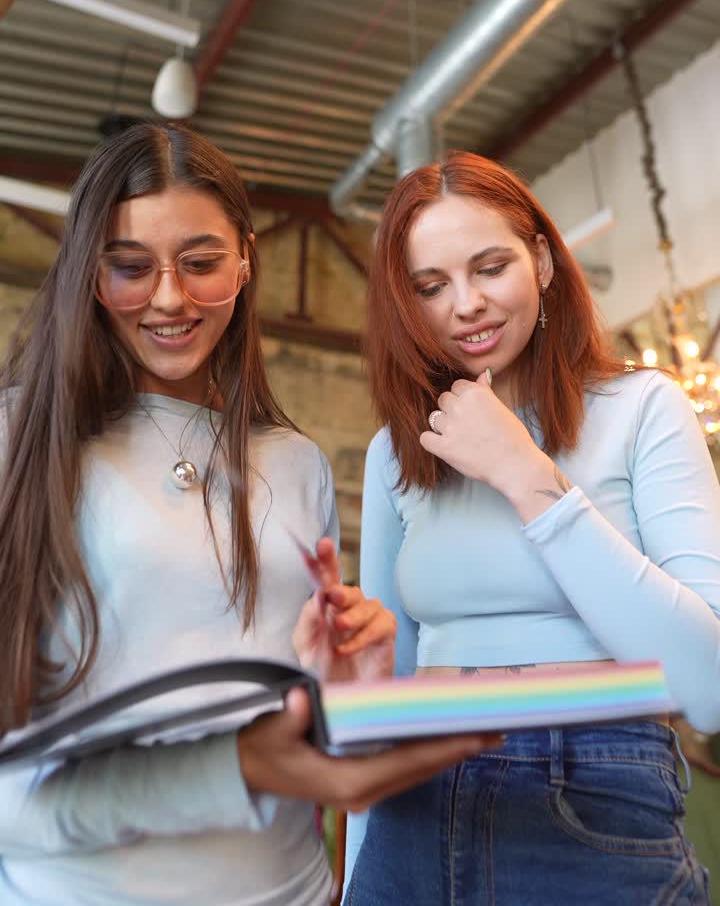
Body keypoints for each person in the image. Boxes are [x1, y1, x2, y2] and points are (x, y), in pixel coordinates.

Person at [0, 124, 499, 906]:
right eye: (130, 267)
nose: (169, 296)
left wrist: (347, 692)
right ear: (88, 276)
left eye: (200, 263)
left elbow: (306, 737)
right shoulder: (18, 444)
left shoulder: (297, 465)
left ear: (245, 259)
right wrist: (234, 767)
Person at [344, 151, 720, 905]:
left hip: (592, 792)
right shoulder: (397, 451)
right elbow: (386, 689)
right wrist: (358, 875)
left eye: (490, 267)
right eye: (430, 286)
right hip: (412, 805)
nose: (466, 305)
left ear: (542, 260)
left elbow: (707, 686)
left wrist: (528, 477)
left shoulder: (644, 408)